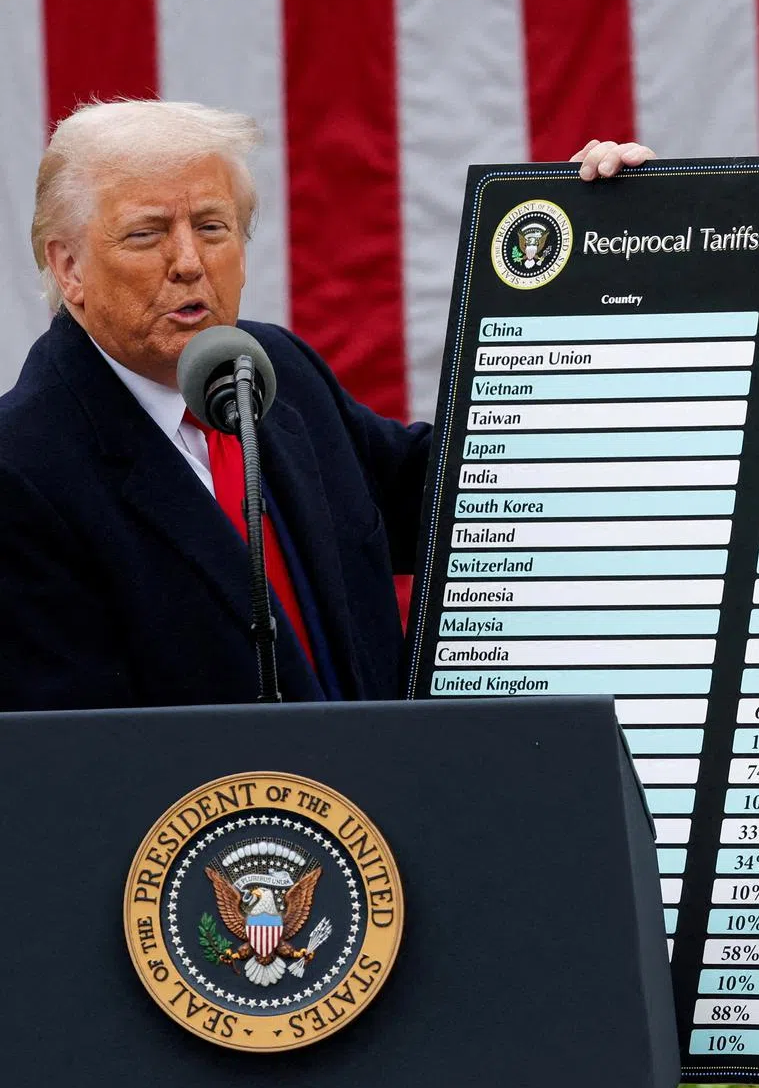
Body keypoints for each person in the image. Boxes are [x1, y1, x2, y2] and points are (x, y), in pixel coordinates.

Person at [0, 100, 654, 711]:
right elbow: (75, 763)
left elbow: (462, 499)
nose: (190, 262)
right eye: (146, 235)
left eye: (212, 227)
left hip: (387, 814)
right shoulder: (24, 468)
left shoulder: (276, 368)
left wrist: (599, 267)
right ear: (69, 268)